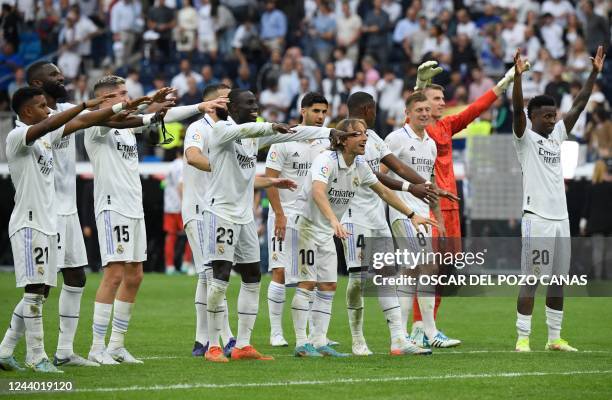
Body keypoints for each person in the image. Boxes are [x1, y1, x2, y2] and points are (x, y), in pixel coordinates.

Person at [84, 76, 226, 365]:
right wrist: (152, 108)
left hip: (133, 207)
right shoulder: (96, 125)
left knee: (135, 275)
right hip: (113, 207)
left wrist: (200, 105)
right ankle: (96, 348)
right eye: (121, 93)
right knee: (113, 274)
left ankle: (116, 345)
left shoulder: (126, 128)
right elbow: (148, 115)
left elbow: (162, 115)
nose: (128, 96)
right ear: (105, 99)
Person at [0, 87, 141, 373]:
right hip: (29, 224)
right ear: (27, 112)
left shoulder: (46, 137)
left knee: (42, 289)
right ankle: (36, 356)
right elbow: (53, 122)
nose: (48, 110)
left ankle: (6, 351)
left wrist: (118, 108)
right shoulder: (17, 137)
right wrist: (85, 104)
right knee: (35, 291)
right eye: (41, 106)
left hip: (47, 223)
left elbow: (85, 122)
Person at [202, 89, 339, 362]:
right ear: (232, 107)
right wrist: (269, 127)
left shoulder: (253, 137)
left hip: (244, 217)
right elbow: (256, 130)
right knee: (219, 280)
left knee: (252, 278)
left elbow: (297, 133)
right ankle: (213, 346)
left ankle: (242, 345)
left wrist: (332, 134)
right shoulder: (222, 129)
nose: (255, 107)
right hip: (220, 213)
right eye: (249, 103)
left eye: (256, 102)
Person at [290, 118, 438, 358]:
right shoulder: (325, 160)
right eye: (357, 134)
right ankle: (301, 343)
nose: (365, 138)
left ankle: (318, 342)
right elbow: (317, 191)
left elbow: (382, 190)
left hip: (328, 228)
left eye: (365, 134)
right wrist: (334, 220)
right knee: (308, 283)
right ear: (341, 139)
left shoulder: (359, 164)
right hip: (306, 226)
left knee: (328, 285)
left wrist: (411, 214)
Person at [406, 60, 517, 346]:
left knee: (445, 270)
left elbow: (474, 109)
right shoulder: (417, 129)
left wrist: (504, 82)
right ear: (422, 104)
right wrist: (419, 86)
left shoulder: (445, 126)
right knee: (428, 268)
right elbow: (410, 117)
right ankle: (422, 328)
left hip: (452, 205)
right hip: (429, 205)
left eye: (443, 98)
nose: (443, 103)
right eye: (436, 99)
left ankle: (425, 327)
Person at [341, 91, 454, 356]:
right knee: (359, 280)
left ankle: (399, 338)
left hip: (380, 216)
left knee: (390, 275)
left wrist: (426, 187)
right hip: (355, 216)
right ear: (368, 109)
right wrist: (411, 188)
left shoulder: (376, 139)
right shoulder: (342, 137)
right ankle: (358, 339)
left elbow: (399, 168)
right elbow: (379, 178)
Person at [512, 46, 605, 352]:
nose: (553, 120)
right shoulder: (524, 138)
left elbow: (578, 105)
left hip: (560, 219)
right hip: (536, 217)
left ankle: (554, 338)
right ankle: (523, 338)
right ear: (533, 116)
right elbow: (516, 110)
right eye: (546, 116)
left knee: (558, 279)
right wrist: (517, 78)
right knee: (532, 278)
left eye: (554, 115)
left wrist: (593, 73)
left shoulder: (557, 135)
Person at [25, 61, 107, 368]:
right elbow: (76, 122)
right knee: (41, 287)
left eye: (61, 73)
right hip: (46, 212)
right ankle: (10, 346)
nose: (62, 78)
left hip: (68, 210)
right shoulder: (28, 128)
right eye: (54, 75)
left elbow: (106, 119)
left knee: (76, 277)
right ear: (36, 85)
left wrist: (143, 109)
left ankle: (64, 350)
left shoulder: (70, 108)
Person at [383, 92, 460, 349]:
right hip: (402, 211)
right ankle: (428, 331)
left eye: (428, 110)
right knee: (426, 267)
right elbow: (378, 176)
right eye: (420, 110)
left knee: (413, 271)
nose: (425, 114)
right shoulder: (395, 138)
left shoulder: (430, 143)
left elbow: (429, 182)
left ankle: (402, 337)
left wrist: (437, 215)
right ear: (408, 113)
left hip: (423, 214)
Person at [265, 93, 331, 347]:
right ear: (302, 111)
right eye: (316, 111)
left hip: (313, 219)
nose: (321, 117)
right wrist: (279, 214)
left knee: (311, 273)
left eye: (324, 112)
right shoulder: (283, 139)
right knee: (280, 271)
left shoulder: (326, 142)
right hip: (285, 215)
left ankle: (314, 334)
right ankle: (275, 332)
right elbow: (269, 179)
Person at [164, 147, 193, 275]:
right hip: (181, 206)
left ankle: (169, 266)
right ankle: (186, 264)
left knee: (171, 236)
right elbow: (181, 185)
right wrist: (184, 203)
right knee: (191, 235)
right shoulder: (183, 165)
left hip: (169, 207)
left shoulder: (170, 166)